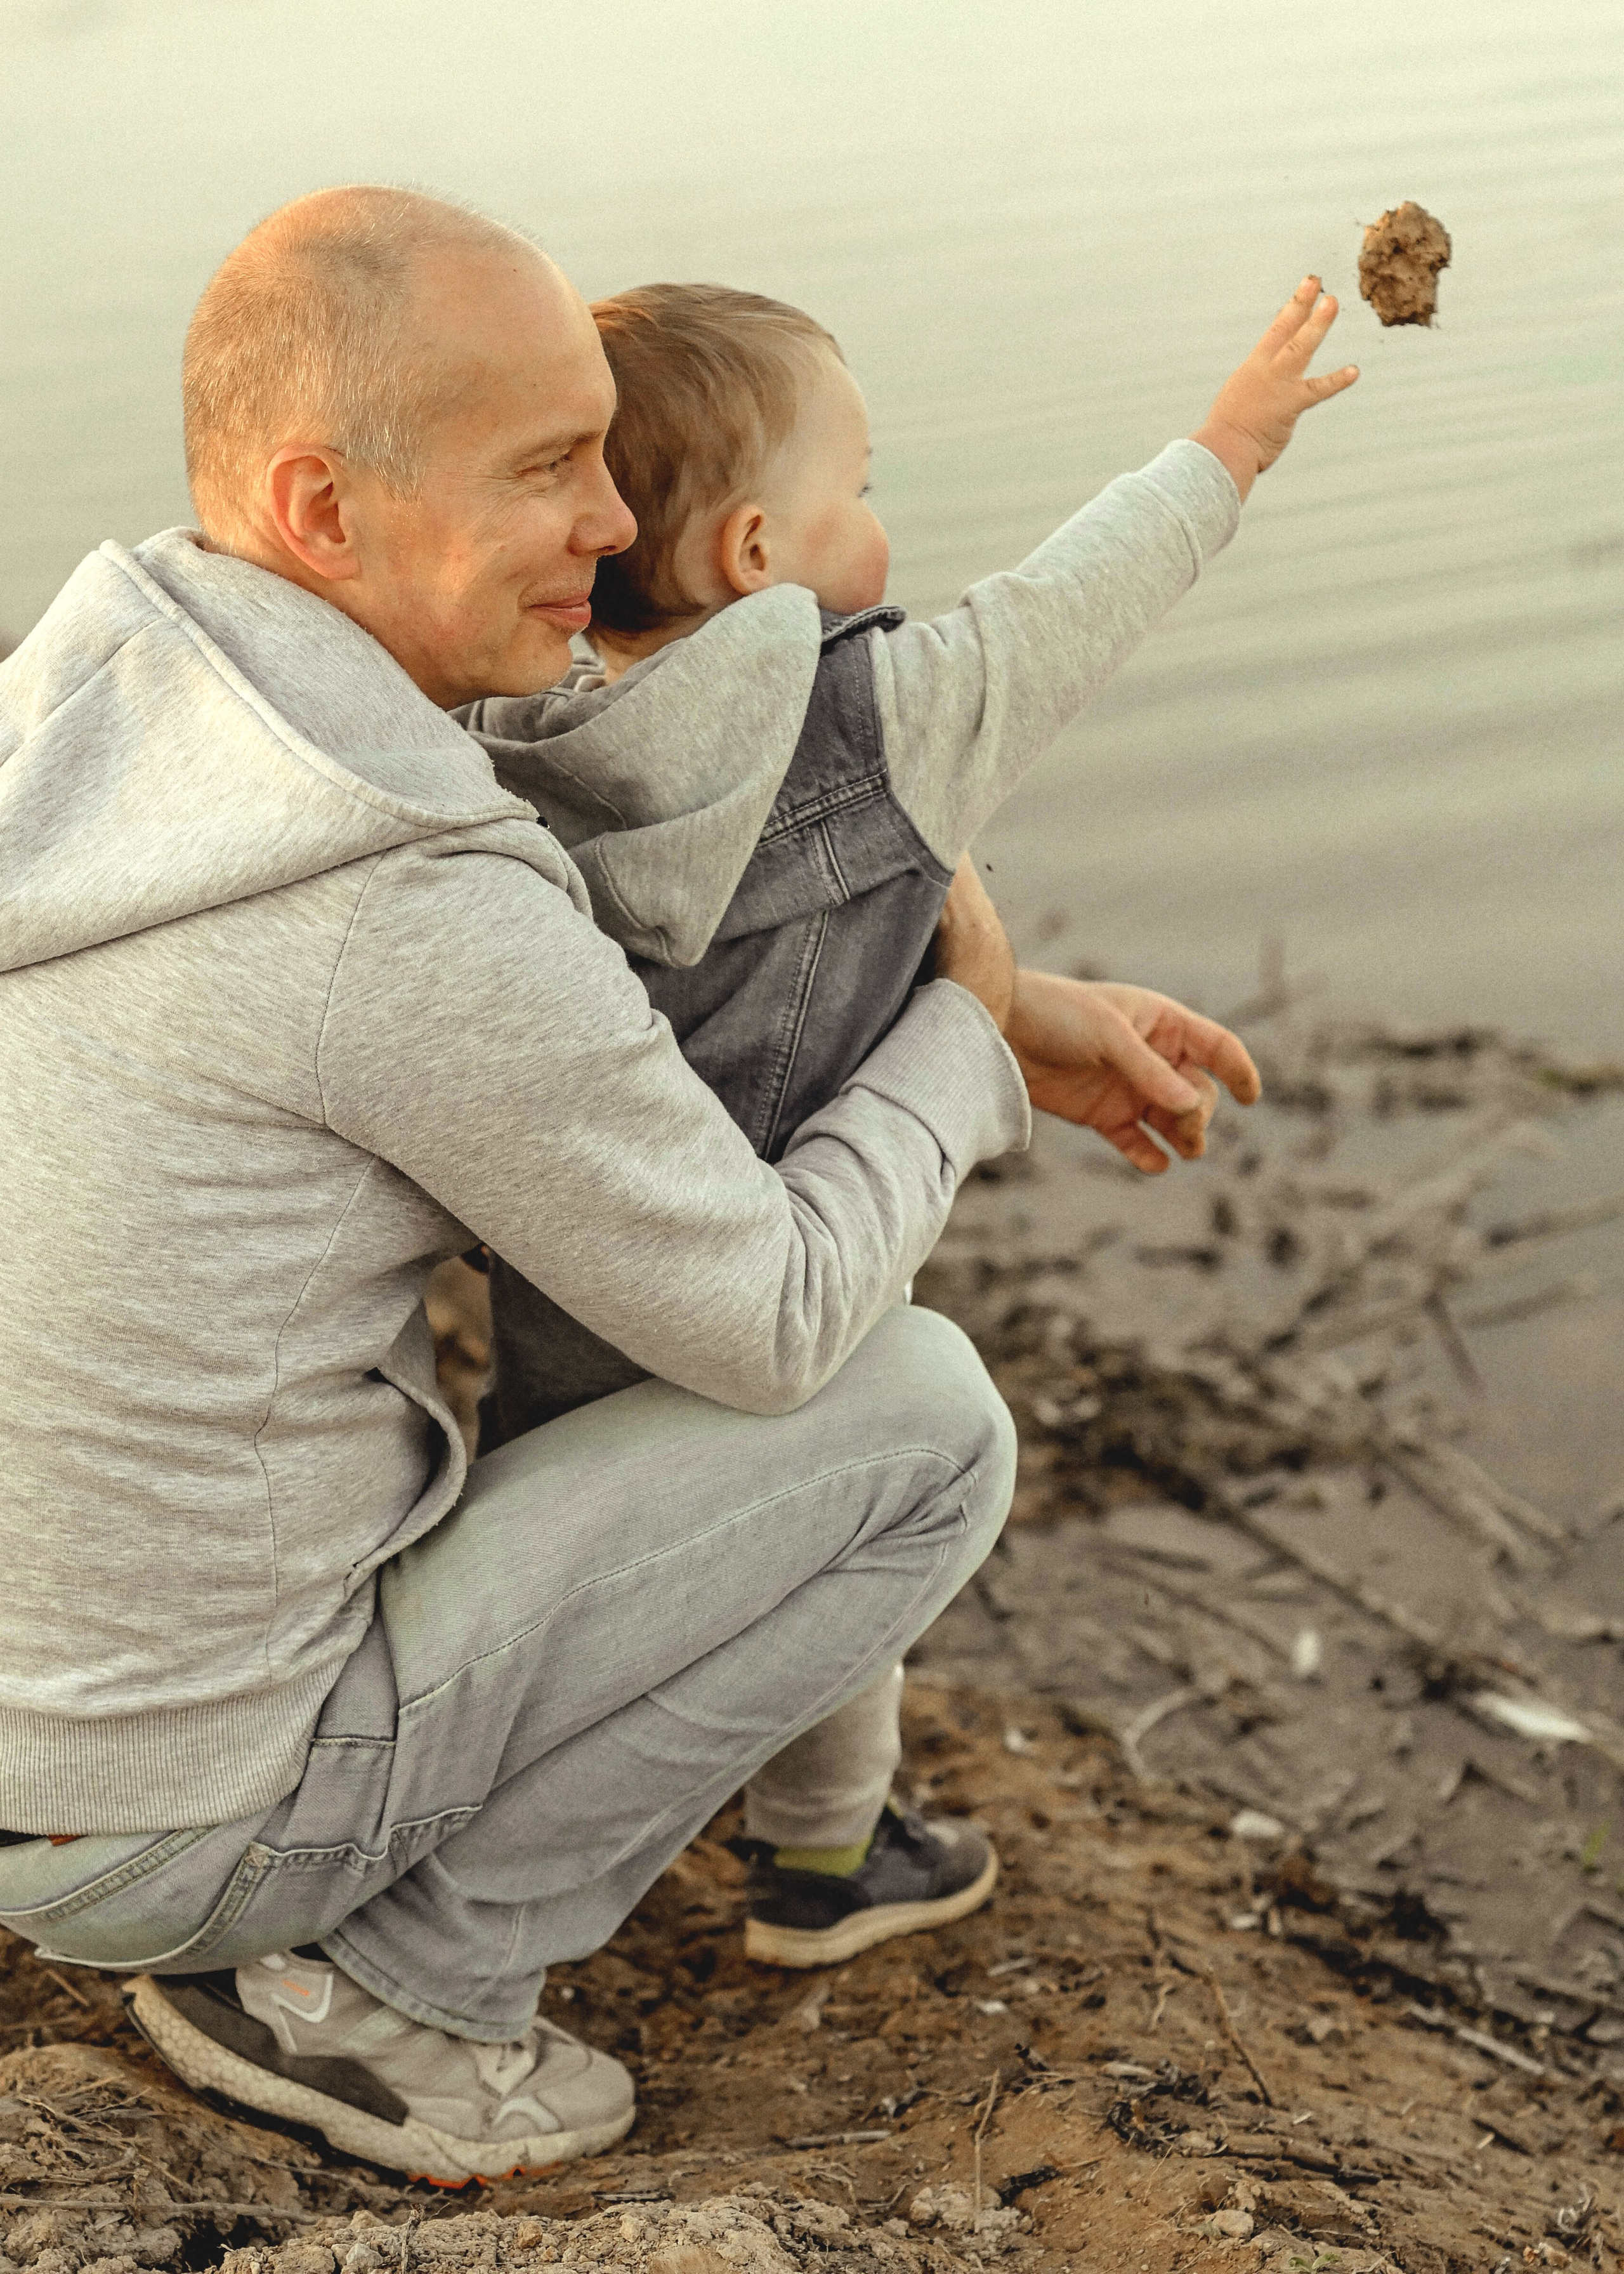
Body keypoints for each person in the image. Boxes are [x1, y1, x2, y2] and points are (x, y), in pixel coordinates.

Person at [0, 187, 1348, 2187]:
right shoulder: (400, 898)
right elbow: (775, 1314)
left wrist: (1011, 1004)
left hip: (50, 1737)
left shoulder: (112, 702)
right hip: (185, 1832)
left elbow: (518, 1067)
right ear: (321, 506)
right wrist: (964, 1042)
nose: (620, 529)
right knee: (918, 1420)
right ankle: (390, 1989)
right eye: (551, 469)